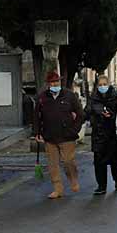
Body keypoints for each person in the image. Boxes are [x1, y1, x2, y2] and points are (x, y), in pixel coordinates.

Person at [33, 71, 84, 199]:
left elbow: (80, 114)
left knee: (68, 161)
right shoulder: (42, 97)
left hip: (67, 135)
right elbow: (36, 116)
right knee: (52, 164)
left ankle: (73, 179)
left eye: (56, 81)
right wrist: (37, 132)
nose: (54, 84)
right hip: (49, 135)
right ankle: (57, 189)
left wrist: (75, 130)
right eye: (52, 82)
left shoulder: (69, 95)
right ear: (48, 84)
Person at [87, 75, 117, 195]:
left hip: (112, 134)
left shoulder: (115, 96)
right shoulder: (93, 98)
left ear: (109, 84)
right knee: (99, 162)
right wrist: (99, 113)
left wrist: (110, 114)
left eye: (104, 84)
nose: (102, 87)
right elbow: (88, 111)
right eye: (100, 85)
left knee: (114, 160)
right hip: (98, 134)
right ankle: (101, 186)